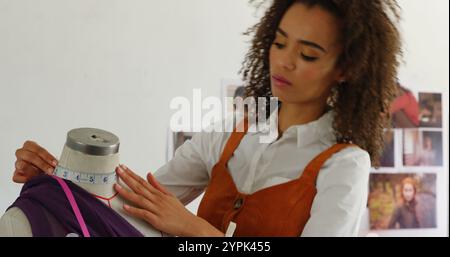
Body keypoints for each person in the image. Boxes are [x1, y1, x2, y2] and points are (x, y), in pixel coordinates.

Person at [11, 0, 402, 237]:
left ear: (346, 67)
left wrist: (195, 229)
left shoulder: (343, 164)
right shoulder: (235, 131)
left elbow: (178, 221)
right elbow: (132, 206)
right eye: (280, 42)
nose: (284, 60)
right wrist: (60, 182)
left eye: (309, 54)